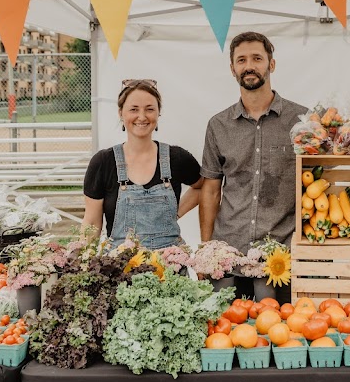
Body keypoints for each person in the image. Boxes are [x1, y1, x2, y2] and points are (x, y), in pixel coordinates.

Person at [200, 32, 307, 302]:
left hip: (280, 256)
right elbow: (211, 190)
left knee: (278, 336)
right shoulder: (218, 125)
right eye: (242, 60)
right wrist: (206, 249)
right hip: (229, 254)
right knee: (226, 334)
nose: (250, 66)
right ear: (233, 68)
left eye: (257, 58)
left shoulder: (302, 123)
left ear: (271, 64)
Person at [83, 79, 204, 249]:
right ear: (121, 113)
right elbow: (91, 222)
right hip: (120, 267)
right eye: (134, 109)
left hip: (171, 269)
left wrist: (175, 214)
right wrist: (82, 263)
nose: (142, 116)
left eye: (149, 109)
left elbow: (204, 186)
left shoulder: (176, 157)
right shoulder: (103, 162)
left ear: (158, 113)